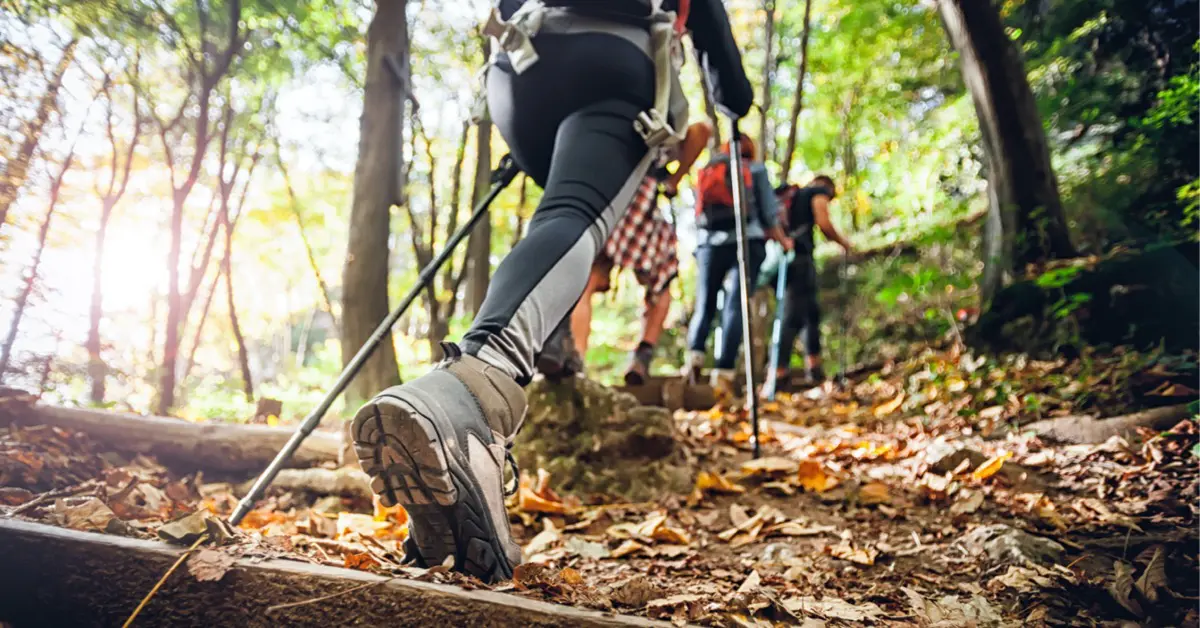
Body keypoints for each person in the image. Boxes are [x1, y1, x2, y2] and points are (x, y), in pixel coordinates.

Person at [348, 0, 753, 584]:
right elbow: (730, 89)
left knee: (558, 210)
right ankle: (476, 395)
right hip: (614, 67)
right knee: (574, 214)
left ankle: (547, 351)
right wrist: (733, 100)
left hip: (518, 74)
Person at [539, 121, 712, 386]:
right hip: (642, 204)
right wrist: (674, 180)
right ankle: (641, 356)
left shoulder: (604, 123)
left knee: (585, 282)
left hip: (605, 198)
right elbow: (703, 130)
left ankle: (575, 359)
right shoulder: (657, 120)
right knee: (661, 283)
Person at [683, 136, 790, 388]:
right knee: (736, 303)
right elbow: (768, 214)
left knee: (705, 303)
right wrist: (784, 242)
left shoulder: (710, 168)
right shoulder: (756, 169)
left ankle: (694, 357)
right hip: (747, 240)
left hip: (709, 243)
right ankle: (724, 371)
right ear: (750, 151)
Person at [770, 175, 853, 385]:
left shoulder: (793, 197)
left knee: (810, 313)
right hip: (798, 258)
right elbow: (823, 222)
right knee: (792, 315)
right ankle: (779, 372)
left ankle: (814, 367)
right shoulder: (816, 193)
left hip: (783, 259)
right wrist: (843, 243)